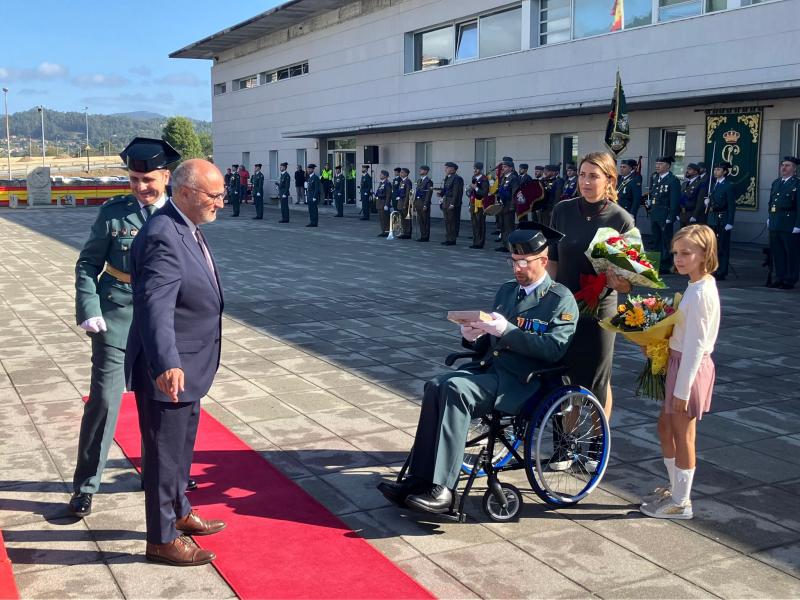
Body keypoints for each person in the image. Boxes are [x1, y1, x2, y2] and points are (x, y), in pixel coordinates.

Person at [377, 222, 578, 513]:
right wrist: (474, 335)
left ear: (543, 261)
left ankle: (444, 489)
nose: (517, 268)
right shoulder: (507, 291)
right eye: (513, 261)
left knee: (456, 390)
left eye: (524, 262)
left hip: (521, 380)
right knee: (435, 386)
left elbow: (554, 349)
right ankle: (419, 479)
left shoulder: (560, 299)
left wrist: (507, 331)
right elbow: (492, 340)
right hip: (491, 370)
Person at [69, 137, 181, 519]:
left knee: (162, 403)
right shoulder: (114, 213)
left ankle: (160, 475)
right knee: (103, 400)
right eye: (133, 179)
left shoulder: (179, 214)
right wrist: (89, 307)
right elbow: (87, 264)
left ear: (165, 177)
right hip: (116, 316)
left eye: (147, 179)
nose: (140, 187)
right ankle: (86, 485)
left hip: (162, 324)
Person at [126, 159, 226, 566]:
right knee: (164, 457)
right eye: (214, 195)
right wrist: (167, 363)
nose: (221, 202)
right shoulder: (163, 234)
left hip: (191, 363)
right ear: (185, 192)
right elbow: (155, 307)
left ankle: (180, 511)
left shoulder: (184, 225)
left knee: (181, 449)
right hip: (171, 368)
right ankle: (162, 539)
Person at [548, 152, 635, 464]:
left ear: (609, 180)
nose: (585, 181)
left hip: (600, 310)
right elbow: (552, 260)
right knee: (564, 378)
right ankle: (565, 444)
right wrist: (548, 296)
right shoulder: (562, 210)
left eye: (593, 176)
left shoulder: (621, 219)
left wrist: (618, 278)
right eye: (582, 174)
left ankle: (597, 443)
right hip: (565, 306)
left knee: (598, 379)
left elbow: (628, 283)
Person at [640, 225, 720, 520]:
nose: (678, 259)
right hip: (679, 363)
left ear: (705, 254)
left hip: (689, 368)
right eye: (675, 253)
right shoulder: (695, 285)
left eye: (686, 253)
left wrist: (682, 391)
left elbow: (697, 344)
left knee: (683, 434)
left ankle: (681, 502)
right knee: (665, 427)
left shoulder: (701, 292)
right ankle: (675, 488)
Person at [767, 156, 800, 290]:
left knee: (791, 253)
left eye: (787, 165)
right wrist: (769, 217)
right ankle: (780, 277)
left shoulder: (797, 184)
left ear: (794, 168)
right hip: (775, 222)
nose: (784, 168)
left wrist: (798, 225)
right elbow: (771, 202)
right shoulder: (776, 182)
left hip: (789, 223)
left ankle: (790, 279)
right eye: (782, 165)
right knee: (778, 252)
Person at [646, 156, 681, 274]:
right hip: (655, 213)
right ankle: (657, 263)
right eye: (657, 164)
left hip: (665, 214)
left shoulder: (673, 180)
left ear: (668, 166)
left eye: (660, 164)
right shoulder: (656, 178)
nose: (657, 166)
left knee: (666, 241)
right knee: (656, 240)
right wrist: (649, 203)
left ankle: (667, 265)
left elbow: (674, 201)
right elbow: (654, 194)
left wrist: (671, 216)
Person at [705, 161, 736, 281]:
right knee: (712, 246)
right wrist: (707, 203)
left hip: (723, 219)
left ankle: (722, 271)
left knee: (722, 246)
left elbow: (731, 205)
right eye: (715, 169)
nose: (715, 172)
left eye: (718, 170)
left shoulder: (728, 185)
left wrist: (730, 222)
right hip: (712, 218)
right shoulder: (714, 185)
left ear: (725, 172)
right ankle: (713, 269)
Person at [495, 157, 519, 252]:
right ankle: (505, 244)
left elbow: (514, 194)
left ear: (511, 168)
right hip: (502, 205)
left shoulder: (513, 178)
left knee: (509, 227)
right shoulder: (503, 178)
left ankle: (510, 246)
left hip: (509, 206)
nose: (503, 168)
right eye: (503, 167)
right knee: (503, 226)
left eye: (505, 167)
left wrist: (512, 206)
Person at [438, 162, 464, 246]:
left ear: (452, 169)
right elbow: (446, 189)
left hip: (451, 201)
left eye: (447, 168)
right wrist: (441, 193)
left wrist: (453, 203)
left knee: (452, 221)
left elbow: (456, 192)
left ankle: (452, 239)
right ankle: (448, 238)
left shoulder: (457, 178)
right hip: (446, 200)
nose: (445, 169)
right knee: (447, 221)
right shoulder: (447, 177)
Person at [468, 161, 489, 249]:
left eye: (476, 169)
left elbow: (484, 193)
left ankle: (480, 243)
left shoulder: (484, 179)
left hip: (480, 204)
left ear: (481, 170)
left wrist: (475, 188)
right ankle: (475, 241)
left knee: (480, 223)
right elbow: (473, 191)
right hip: (473, 203)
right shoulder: (474, 177)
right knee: (474, 223)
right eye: (474, 168)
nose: (475, 170)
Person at [680, 163, 706, 227]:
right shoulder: (685, 184)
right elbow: (681, 199)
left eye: (690, 169)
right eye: (687, 169)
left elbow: (700, 201)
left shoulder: (701, 183)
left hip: (692, 214)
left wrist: (695, 215)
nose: (687, 171)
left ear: (696, 172)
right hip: (683, 214)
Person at [414, 165, 434, 242]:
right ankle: (422, 235)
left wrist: (426, 204)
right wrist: (415, 203)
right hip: (418, 202)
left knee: (425, 220)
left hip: (424, 202)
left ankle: (426, 236)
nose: (420, 171)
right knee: (420, 220)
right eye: (420, 169)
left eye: (421, 170)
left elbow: (429, 194)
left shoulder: (429, 181)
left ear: (426, 171)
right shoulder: (419, 180)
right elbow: (417, 192)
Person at [397, 168, 414, 239]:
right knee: (402, 218)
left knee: (407, 218)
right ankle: (404, 232)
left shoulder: (408, 181)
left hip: (404, 202)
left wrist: (405, 204)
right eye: (400, 172)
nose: (400, 173)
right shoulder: (402, 181)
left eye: (402, 172)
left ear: (406, 174)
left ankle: (408, 233)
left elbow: (408, 194)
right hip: (400, 201)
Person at [375, 169, 392, 236]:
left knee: (385, 219)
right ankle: (383, 231)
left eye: (381, 174)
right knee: (381, 218)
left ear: (385, 176)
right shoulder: (381, 183)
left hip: (383, 202)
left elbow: (388, 195)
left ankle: (387, 232)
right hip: (379, 203)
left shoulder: (387, 183)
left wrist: (387, 204)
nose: (380, 175)